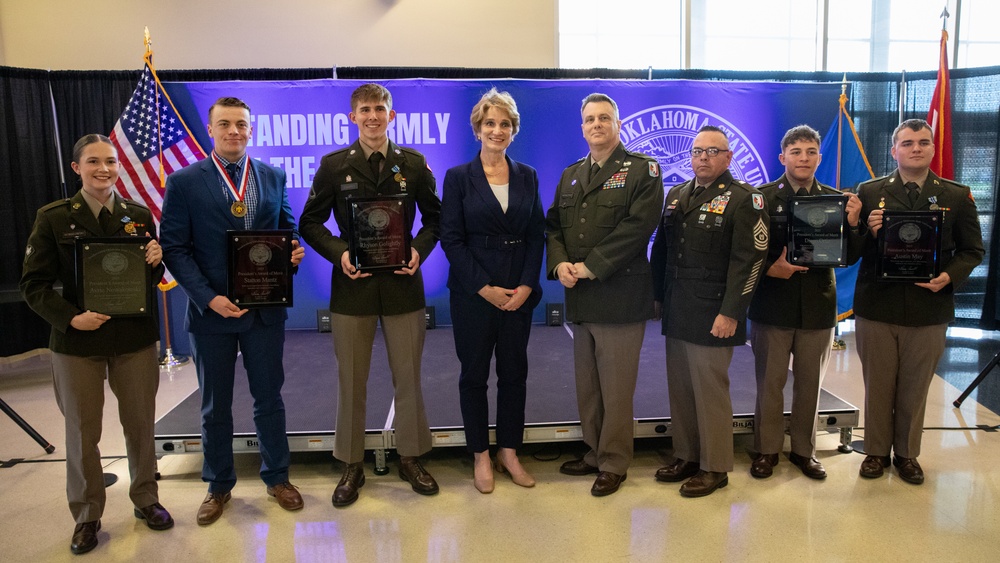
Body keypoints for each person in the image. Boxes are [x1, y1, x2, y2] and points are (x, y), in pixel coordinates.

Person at [20, 134, 173, 554]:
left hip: (134, 339)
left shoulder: (138, 216)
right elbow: (33, 285)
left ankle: (146, 499)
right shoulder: (53, 218)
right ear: (76, 168)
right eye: (93, 162)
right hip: (77, 342)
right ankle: (87, 515)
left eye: (110, 161)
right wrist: (71, 317)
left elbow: (147, 283)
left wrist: (156, 263)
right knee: (83, 432)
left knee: (141, 425)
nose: (103, 169)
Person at [160, 97, 306, 525]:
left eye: (241, 124)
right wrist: (208, 297)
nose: (234, 131)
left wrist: (292, 251)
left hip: (264, 310)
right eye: (224, 124)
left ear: (251, 129)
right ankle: (218, 485)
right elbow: (175, 249)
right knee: (214, 405)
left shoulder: (272, 176)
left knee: (269, 398)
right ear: (211, 129)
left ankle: (277, 477)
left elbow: (285, 226)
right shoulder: (184, 182)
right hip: (212, 314)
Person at [300, 83, 442, 507]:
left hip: (402, 286)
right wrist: (340, 252)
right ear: (352, 117)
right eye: (365, 110)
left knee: (409, 377)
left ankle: (411, 456)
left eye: (380, 109)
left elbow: (436, 220)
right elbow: (310, 222)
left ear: (392, 116)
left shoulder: (414, 165)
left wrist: (418, 250)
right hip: (353, 288)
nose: (373, 116)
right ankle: (351, 464)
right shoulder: (333, 166)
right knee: (352, 380)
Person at [545, 93, 663, 497]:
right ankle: (595, 452)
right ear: (582, 127)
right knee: (589, 386)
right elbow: (554, 228)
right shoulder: (571, 174)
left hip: (619, 296)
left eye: (604, 118)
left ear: (618, 123)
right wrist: (560, 264)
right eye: (590, 119)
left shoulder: (642, 171)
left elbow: (637, 227)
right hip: (581, 296)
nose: (596, 125)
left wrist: (590, 265)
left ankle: (614, 462)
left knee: (616, 389)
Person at [854, 118, 983, 484]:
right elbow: (850, 252)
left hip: (929, 308)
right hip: (878, 305)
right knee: (878, 385)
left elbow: (973, 249)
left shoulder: (956, 195)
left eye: (923, 142)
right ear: (894, 150)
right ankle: (876, 452)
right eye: (907, 143)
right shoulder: (868, 191)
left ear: (932, 148)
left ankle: (907, 454)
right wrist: (867, 229)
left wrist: (949, 277)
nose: (916, 148)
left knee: (915, 386)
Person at [650, 125, 769, 497]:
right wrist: (656, 298)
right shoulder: (677, 194)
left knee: (710, 391)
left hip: (715, 312)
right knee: (682, 389)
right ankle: (686, 455)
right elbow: (664, 253)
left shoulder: (743, 199)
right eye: (698, 151)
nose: (703, 157)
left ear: (728, 157)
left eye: (713, 151)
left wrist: (732, 311)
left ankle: (715, 466)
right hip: (678, 306)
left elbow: (750, 261)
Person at [440, 89, 545, 494]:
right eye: (490, 124)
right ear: (477, 129)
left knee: (514, 373)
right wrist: (483, 288)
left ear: (513, 130)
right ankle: (480, 454)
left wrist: (526, 285)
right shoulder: (457, 178)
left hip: (518, 292)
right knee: (474, 375)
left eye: (504, 124)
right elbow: (452, 239)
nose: (497, 130)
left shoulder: (528, 175)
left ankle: (509, 451)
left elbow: (536, 236)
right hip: (473, 294)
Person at [746, 125, 863, 480]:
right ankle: (766, 450)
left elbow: (851, 256)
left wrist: (853, 224)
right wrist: (771, 269)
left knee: (811, 384)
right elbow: (747, 252)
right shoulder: (760, 198)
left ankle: (803, 451)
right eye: (796, 151)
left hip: (817, 305)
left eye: (811, 152)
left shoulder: (834, 200)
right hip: (773, 304)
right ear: (783, 157)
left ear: (819, 158)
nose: (804, 158)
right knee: (770, 383)